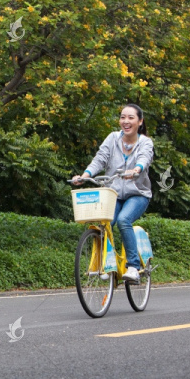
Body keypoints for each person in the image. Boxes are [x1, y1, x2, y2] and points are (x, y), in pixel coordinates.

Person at [72, 104, 154, 284]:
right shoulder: (112, 138)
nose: (126, 121)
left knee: (124, 220)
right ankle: (106, 263)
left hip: (137, 194)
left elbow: (144, 159)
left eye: (131, 118)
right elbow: (100, 159)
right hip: (114, 194)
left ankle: (132, 267)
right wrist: (85, 176)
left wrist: (136, 169)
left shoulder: (145, 142)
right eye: (123, 117)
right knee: (105, 221)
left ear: (140, 122)